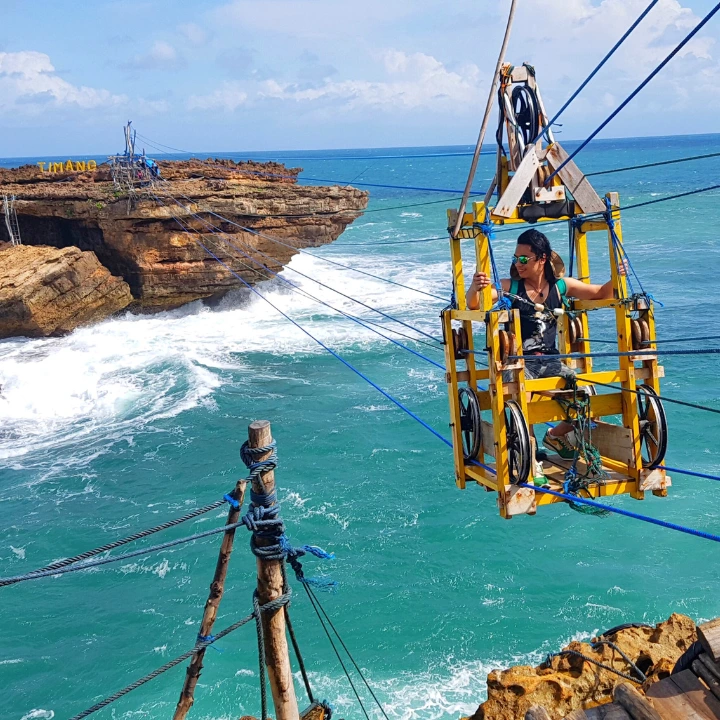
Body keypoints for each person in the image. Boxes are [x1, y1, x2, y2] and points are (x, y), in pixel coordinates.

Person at [465, 228, 625, 459]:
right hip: (520, 362)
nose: (518, 264)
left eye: (523, 259)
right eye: (515, 258)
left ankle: (555, 435)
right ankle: (529, 455)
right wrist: (474, 287)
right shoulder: (511, 287)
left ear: (542, 259)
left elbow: (600, 293)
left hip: (551, 360)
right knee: (522, 398)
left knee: (586, 396)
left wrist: (617, 276)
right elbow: (475, 304)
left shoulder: (561, 286)